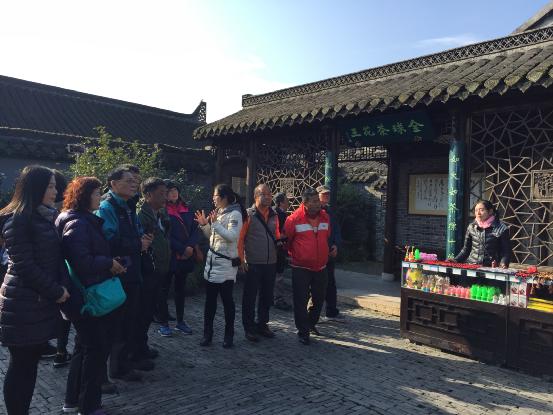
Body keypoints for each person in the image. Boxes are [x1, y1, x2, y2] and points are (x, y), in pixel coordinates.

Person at [0, 165, 70, 414]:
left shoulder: (44, 217)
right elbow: (25, 266)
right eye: (50, 186)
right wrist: (56, 291)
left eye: (55, 186)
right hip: (22, 303)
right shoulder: (19, 219)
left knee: (29, 364)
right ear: (35, 188)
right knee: (21, 365)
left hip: (37, 301)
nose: (55, 191)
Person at [56, 177, 126, 415]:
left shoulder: (78, 219)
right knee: (95, 351)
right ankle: (89, 406)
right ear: (84, 196)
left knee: (83, 348)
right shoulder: (78, 223)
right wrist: (109, 263)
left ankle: (72, 401)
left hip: (82, 295)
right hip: (87, 297)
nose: (100, 197)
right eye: (97, 193)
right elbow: (82, 262)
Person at [96, 166, 153, 382]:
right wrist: (137, 243)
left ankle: (125, 363)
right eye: (128, 180)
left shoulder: (128, 206)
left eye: (135, 180)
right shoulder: (107, 207)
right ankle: (115, 369)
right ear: (113, 183)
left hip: (132, 270)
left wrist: (143, 239)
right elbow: (108, 240)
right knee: (116, 324)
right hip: (118, 273)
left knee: (130, 319)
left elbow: (135, 231)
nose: (134, 184)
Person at [195, 184, 244, 348]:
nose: (213, 199)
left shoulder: (235, 214)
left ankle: (229, 335)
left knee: (227, 302)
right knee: (209, 303)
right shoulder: (218, 213)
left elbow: (232, 236)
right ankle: (207, 335)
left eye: (215, 196)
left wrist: (215, 224)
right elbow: (212, 236)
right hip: (212, 264)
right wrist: (205, 225)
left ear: (224, 197)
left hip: (226, 266)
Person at [284, 188, 331, 345]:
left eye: (318, 200)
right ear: (305, 203)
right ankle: (303, 331)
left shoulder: (325, 217)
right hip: (301, 267)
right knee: (300, 300)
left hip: (321, 267)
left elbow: (327, 237)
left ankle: (311, 323)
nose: (318, 204)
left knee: (319, 299)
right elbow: (287, 242)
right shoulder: (293, 219)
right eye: (315, 201)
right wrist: (298, 254)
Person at [238, 184, 281, 342]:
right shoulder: (248, 215)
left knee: (267, 296)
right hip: (253, 262)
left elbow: (276, 234)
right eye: (264, 194)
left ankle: (262, 324)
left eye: (270, 194)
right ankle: (249, 328)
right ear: (256, 196)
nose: (268, 197)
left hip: (271, 262)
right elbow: (240, 239)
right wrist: (241, 260)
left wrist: (279, 241)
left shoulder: (274, 215)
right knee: (250, 297)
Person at [157, 181, 198, 337]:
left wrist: (191, 246)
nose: (174, 193)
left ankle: (180, 322)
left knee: (180, 290)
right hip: (170, 255)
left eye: (175, 190)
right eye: (170, 191)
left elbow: (195, 230)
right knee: (164, 289)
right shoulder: (162, 211)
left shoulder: (187, 209)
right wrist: (183, 248)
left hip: (186, 255)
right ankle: (163, 323)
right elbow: (165, 235)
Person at [136, 178, 171, 355]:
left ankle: (142, 346)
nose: (166, 197)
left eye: (166, 193)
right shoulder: (141, 216)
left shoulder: (160, 214)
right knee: (143, 312)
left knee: (149, 311)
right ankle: (138, 349)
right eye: (161, 194)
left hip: (159, 271)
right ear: (148, 195)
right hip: (148, 272)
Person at [52, 169, 73, 368]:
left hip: (50, 269)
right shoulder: (64, 210)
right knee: (65, 313)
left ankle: (57, 349)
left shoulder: (42, 209)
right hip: (65, 268)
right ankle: (60, 350)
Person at [453, 200, 511, 267]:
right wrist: (455, 260)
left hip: (491, 267)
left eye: (481, 210)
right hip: (472, 266)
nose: (478, 213)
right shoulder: (471, 227)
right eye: (476, 210)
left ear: (490, 211)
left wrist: (503, 263)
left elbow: (506, 251)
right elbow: (466, 249)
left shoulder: (501, 228)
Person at [316, 185, 341, 319]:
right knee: (316, 284)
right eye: (324, 194)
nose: (327, 196)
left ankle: (331, 311)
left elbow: (336, 230)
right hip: (317, 253)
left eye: (328, 194)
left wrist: (336, 245)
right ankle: (313, 314)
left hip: (329, 253)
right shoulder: (313, 212)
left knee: (331, 283)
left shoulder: (330, 212)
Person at [273, 192, 292, 311]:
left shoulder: (272, 212)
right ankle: (278, 299)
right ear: (281, 203)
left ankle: (272, 297)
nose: (288, 203)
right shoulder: (278, 215)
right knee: (278, 275)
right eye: (286, 201)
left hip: (273, 248)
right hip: (278, 248)